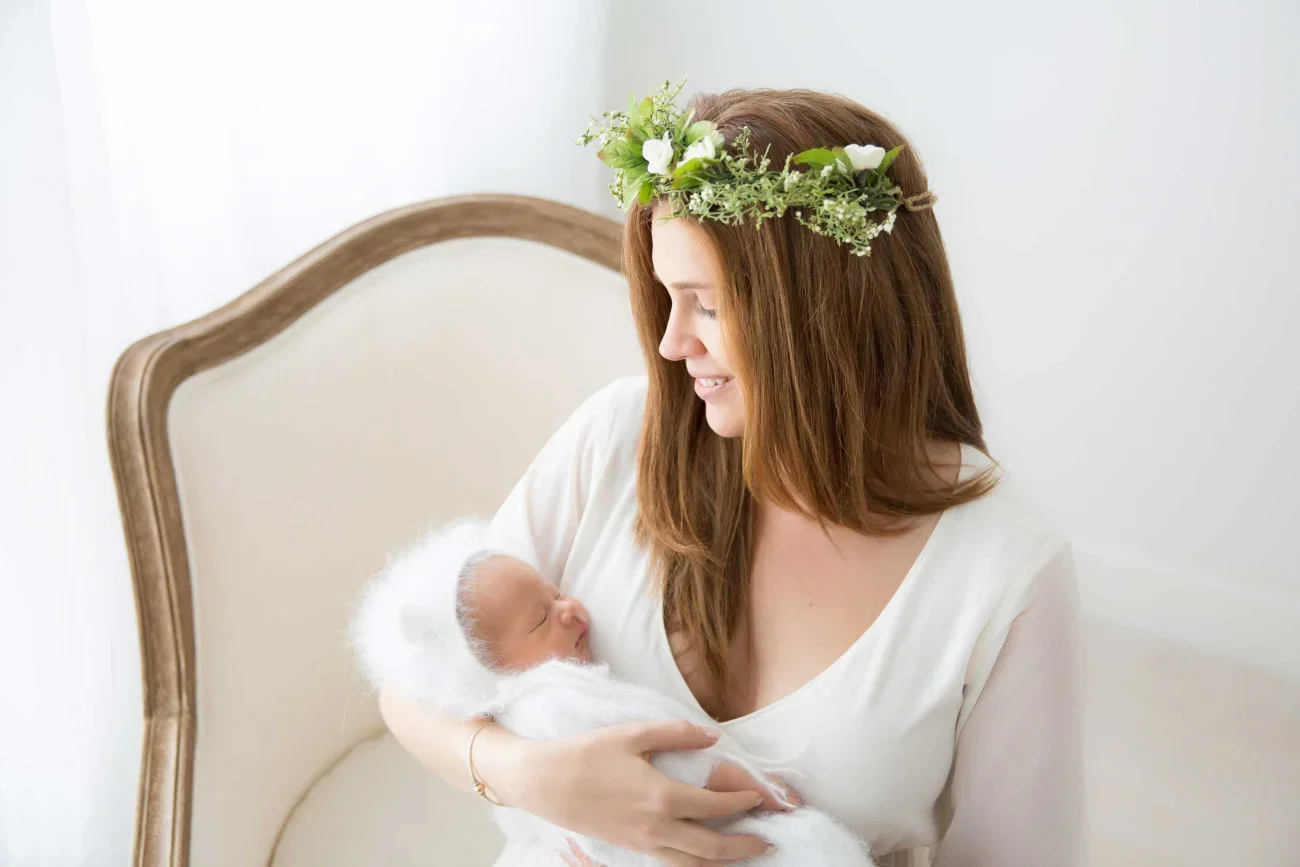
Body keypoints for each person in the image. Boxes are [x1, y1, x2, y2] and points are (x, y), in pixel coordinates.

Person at [377, 77, 1086, 867]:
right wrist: (529, 775)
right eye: (667, 297)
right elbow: (414, 685)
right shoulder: (616, 439)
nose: (672, 342)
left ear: (825, 306)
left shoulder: (1003, 567)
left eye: (705, 304)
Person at [348, 516, 877, 865]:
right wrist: (755, 786)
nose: (570, 608)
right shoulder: (555, 704)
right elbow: (677, 762)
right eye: (541, 619)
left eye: (556, 593)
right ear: (493, 671)